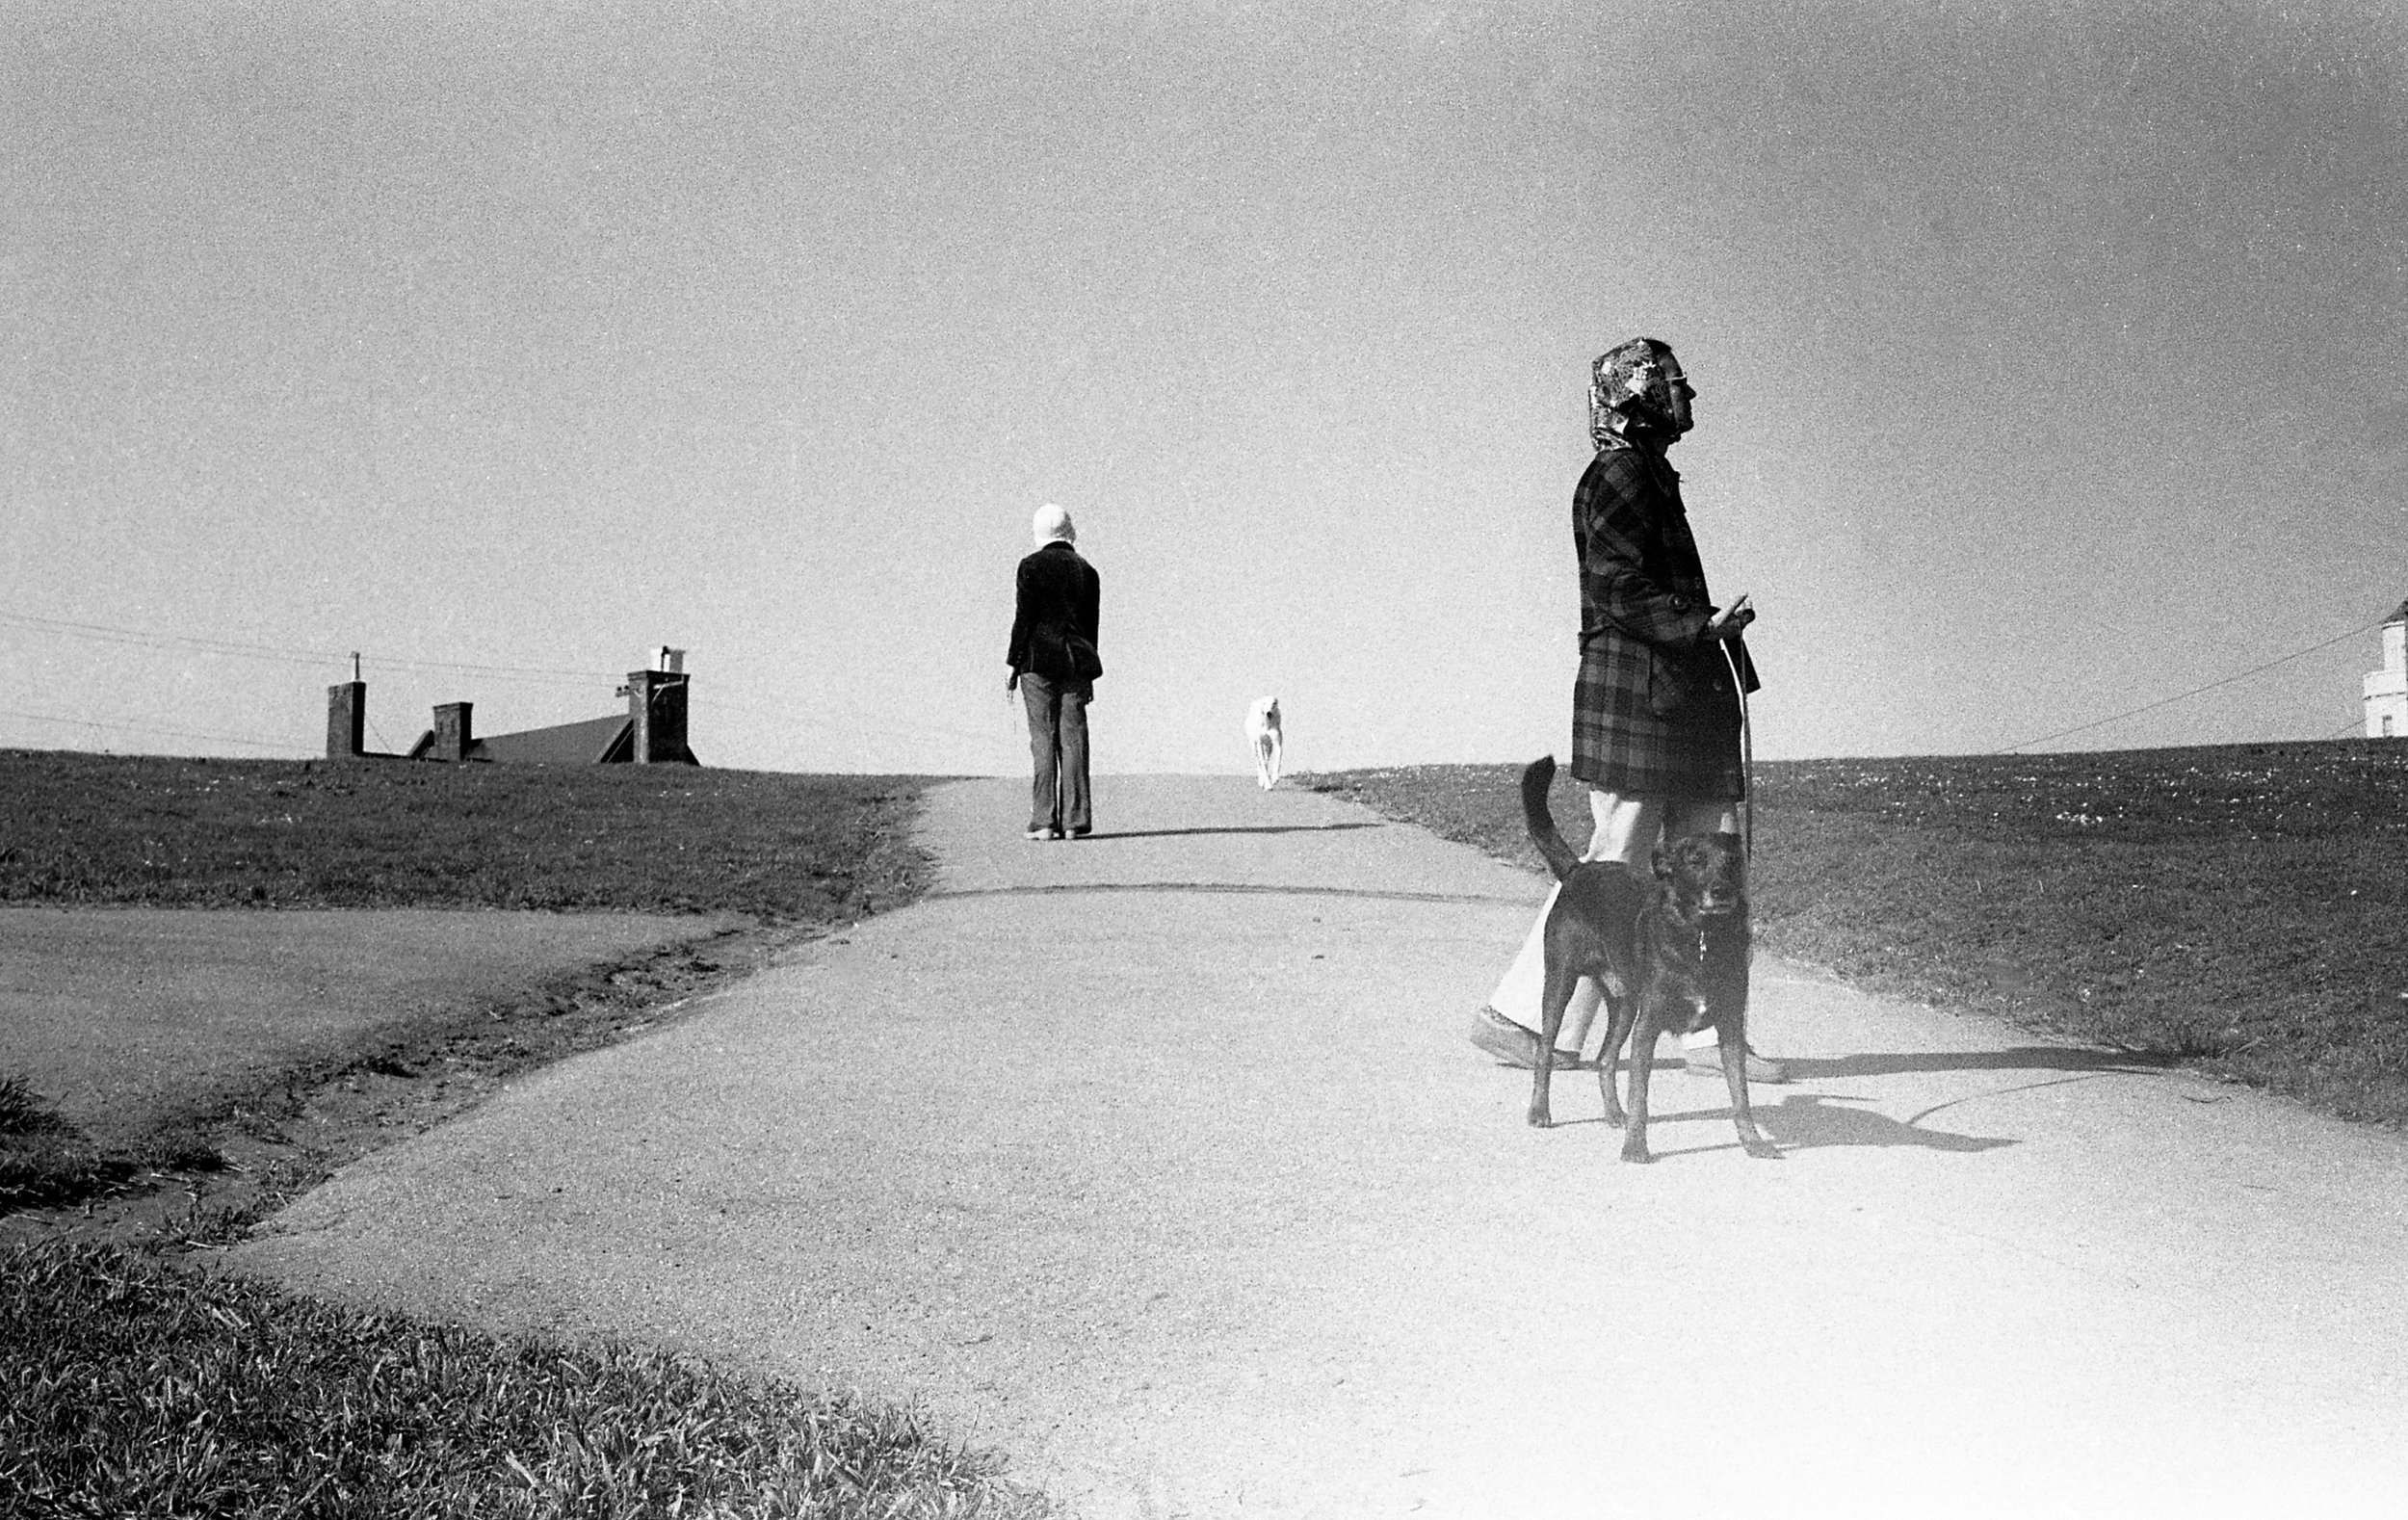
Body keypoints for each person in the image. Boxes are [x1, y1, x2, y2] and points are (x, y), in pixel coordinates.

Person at [1469, 337, 1788, 1084]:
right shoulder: (1619, 473)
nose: (1689, 396)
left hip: (1679, 699)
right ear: (1638, 393)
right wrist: (1696, 623)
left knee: (1714, 853)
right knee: (1614, 866)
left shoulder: (1649, 474)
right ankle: (1519, 1019)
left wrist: (1702, 635)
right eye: (1675, 383)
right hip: (1641, 697)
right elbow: (1612, 583)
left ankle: (1713, 1038)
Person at [1006, 503, 1102, 841]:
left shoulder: (1029, 567)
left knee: (1043, 740)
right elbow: (1091, 628)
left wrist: (1012, 664)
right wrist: (1089, 671)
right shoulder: (1087, 571)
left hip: (1036, 663)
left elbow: (1024, 620)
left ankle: (1044, 822)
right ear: (1069, 530)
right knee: (1074, 739)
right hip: (1076, 660)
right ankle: (1075, 821)